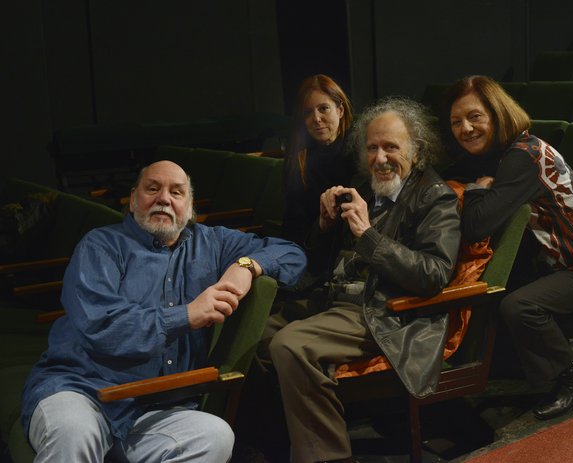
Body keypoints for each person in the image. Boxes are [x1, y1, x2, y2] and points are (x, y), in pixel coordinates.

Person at [21, 160, 306, 462]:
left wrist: (246, 266)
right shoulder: (100, 246)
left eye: (176, 192)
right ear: (133, 200)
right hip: (82, 391)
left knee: (215, 435)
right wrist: (187, 315)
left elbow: (292, 254)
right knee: (74, 431)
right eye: (153, 188)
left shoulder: (214, 243)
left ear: (190, 206)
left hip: (155, 408)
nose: (164, 199)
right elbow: (103, 327)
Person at [263, 96, 461, 462]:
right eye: (372, 148)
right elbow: (323, 263)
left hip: (386, 311)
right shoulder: (364, 188)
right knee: (252, 333)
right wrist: (324, 227)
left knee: (290, 345)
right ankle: (272, 444)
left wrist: (368, 235)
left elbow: (432, 274)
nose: (380, 158)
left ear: (416, 151)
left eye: (391, 147)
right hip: (336, 300)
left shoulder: (435, 199)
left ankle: (328, 456)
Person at [444, 75, 573, 420]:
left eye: (475, 117)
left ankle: (572, 375)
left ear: (498, 113)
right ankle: (514, 368)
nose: (465, 128)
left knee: (519, 306)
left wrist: (478, 189)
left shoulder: (523, 156)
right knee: (493, 289)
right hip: (556, 261)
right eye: (456, 121)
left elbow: (478, 224)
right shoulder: (510, 152)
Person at [282, 74, 356, 254]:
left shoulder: (359, 151)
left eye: (324, 109)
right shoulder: (298, 159)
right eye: (308, 112)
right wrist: (320, 227)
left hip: (352, 246)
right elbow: (293, 225)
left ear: (340, 110)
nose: (316, 118)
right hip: (311, 247)